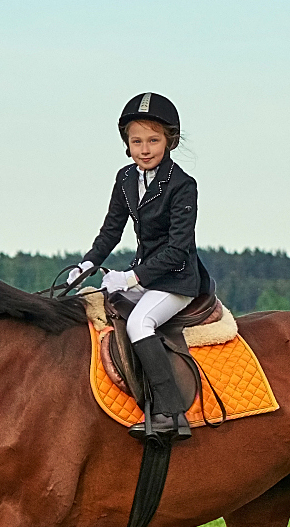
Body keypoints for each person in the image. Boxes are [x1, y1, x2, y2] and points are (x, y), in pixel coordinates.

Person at [66, 92, 215, 445]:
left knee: (139, 323)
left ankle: (171, 413)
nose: (144, 149)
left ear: (169, 141)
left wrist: (131, 278)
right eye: (137, 142)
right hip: (146, 275)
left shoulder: (182, 185)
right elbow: (111, 230)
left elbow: (177, 249)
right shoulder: (125, 179)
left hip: (177, 279)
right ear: (127, 143)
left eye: (153, 140)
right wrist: (88, 263)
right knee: (100, 309)